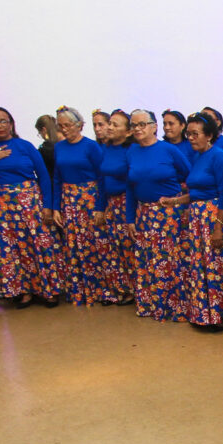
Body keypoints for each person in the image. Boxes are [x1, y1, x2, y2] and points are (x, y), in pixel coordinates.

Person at [0, 105, 64, 308]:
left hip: (29, 201)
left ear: (11, 124)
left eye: (3, 120)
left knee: (39, 243)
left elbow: (44, 176)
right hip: (2, 206)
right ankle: (23, 291)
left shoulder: (24, 146)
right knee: (9, 248)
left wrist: (47, 204)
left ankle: (47, 289)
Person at [124, 109, 192, 321]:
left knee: (171, 260)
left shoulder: (168, 150)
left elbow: (189, 176)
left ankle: (177, 307)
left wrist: (178, 200)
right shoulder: (132, 151)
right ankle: (154, 304)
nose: (138, 129)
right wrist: (130, 219)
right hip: (144, 214)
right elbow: (130, 187)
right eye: (134, 125)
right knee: (149, 260)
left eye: (142, 124)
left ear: (154, 127)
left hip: (169, 213)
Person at [50, 105, 117, 305]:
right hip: (68, 200)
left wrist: (100, 206)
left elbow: (102, 176)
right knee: (74, 246)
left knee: (96, 245)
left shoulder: (91, 147)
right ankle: (82, 290)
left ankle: (105, 290)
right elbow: (57, 178)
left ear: (79, 125)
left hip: (90, 198)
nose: (64, 129)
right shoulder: (59, 147)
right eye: (60, 126)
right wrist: (55, 207)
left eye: (68, 125)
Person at [180, 113, 223, 330]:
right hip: (196, 218)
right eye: (188, 134)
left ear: (209, 135)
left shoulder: (218, 155)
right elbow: (195, 191)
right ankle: (204, 313)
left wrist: (218, 227)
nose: (191, 138)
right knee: (200, 265)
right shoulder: (197, 156)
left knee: (214, 264)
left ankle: (219, 315)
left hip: (212, 217)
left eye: (195, 134)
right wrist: (175, 201)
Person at [99, 110, 136, 303]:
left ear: (128, 132)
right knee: (115, 248)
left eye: (115, 124)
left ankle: (138, 289)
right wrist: (101, 206)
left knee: (130, 247)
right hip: (112, 205)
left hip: (127, 202)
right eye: (109, 124)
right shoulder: (105, 148)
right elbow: (102, 179)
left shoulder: (131, 151)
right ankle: (123, 288)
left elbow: (132, 181)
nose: (110, 127)